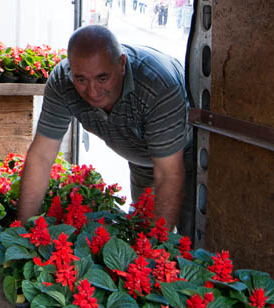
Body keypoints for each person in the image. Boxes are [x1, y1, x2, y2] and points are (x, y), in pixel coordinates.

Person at [15, 25, 191, 231]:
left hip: (187, 155)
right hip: (142, 158)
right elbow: (41, 156)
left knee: (187, 233)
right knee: (143, 228)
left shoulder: (157, 85)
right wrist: (22, 231)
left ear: (122, 64)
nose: (92, 91)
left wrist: (157, 249)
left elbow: (169, 175)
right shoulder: (63, 81)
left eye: (102, 78)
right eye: (81, 79)